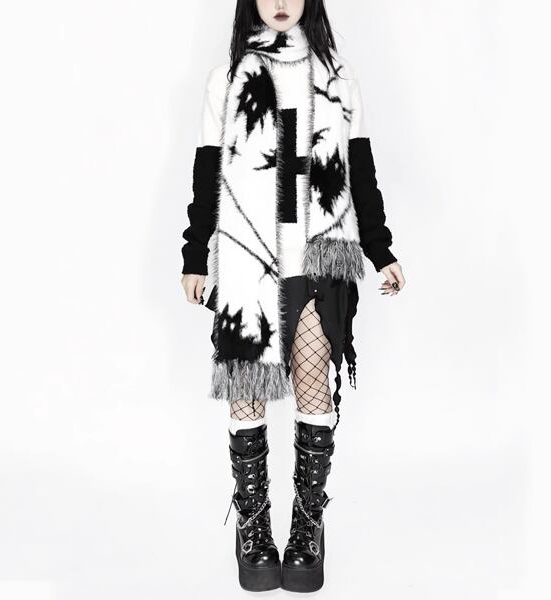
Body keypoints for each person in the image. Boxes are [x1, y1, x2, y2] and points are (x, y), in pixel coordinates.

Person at [180, 0, 405, 592]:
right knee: (248, 390)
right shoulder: (227, 80)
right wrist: (194, 254)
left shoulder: (337, 77)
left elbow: (360, 171)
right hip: (247, 257)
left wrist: (380, 249)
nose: (280, 3)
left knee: (312, 381)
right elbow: (207, 173)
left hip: (317, 256)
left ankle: (307, 526)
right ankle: (253, 526)